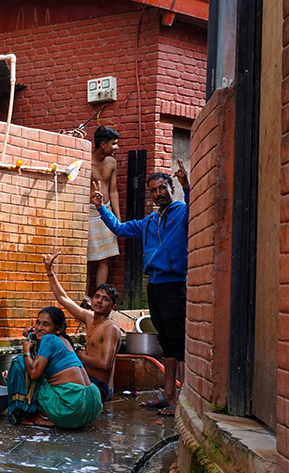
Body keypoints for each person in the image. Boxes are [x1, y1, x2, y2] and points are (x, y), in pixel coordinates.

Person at [90, 161, 189, 416]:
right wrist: (101, 207)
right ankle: (168, 394)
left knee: (178, 342)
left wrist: (188, 186)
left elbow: (198, 210)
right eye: (153, 190)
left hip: (175, 284)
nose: (158, 193)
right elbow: (119, 229)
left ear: (171, 189)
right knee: (165, 341)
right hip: (154, 284)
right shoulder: (148, 222)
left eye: (162, 188)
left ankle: (184, 400)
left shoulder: (182, 212)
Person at [42, 251, 121, 402]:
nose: (99, 301)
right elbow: (63, 298)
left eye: (105, 299)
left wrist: (82, 357)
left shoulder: (111, 328)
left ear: (112, 307)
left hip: (99, 388)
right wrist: (49, 271)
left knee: (54, 390)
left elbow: (105, 364)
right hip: (86, 380)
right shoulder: (89, 317)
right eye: (97, 296)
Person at [7, 306, 103, 429]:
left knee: (20, 363)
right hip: (92, 404)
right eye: (38, 323)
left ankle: (43, 416)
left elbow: (34, 373)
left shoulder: (49, 338)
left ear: (59, 329)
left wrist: (26, 351)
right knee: (34, 365)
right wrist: (33, 336)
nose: (40, 328)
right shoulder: (64, 341)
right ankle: (50, 415)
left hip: (69, 407)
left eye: (46, 324)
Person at [88, 126, 121, 294]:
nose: (116, 147)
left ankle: (99, 296)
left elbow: (113, 191)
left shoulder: (112, 163)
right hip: (89, 214)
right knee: (85, 260)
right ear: (103, 145)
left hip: (106, 212)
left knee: (104, 260)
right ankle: (84, 298)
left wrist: (118, 221)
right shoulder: (86, 163)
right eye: (114, 144)